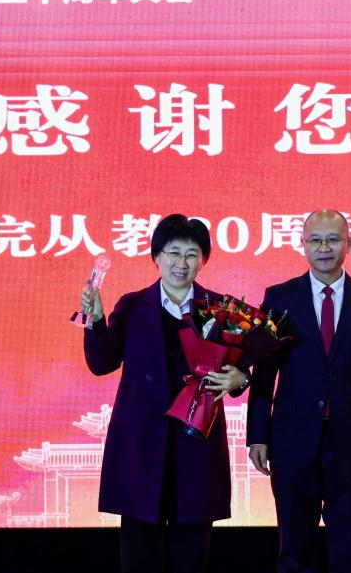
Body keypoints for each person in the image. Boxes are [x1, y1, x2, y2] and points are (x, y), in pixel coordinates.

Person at [81, 214, 249, 573]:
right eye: (174, 253)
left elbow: (241, 369)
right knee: (140, 558)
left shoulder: (221, 308)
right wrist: (95, 321)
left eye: (192, 254)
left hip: (196, 444)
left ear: (203, 260)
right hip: (142, 446)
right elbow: (101, 362)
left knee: (192, 557)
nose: (181, 263)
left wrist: (241, 378)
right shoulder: (132, 305)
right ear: (157, 257)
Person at [247, 209, 351, 573]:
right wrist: (257, 436)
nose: (324, 248)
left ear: (350, 243)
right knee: (294, 553)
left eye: (333, 239)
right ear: (302, 244)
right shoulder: (279, 297)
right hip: (291, 440)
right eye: (315, 240)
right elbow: (264, 371)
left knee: (348, 552)